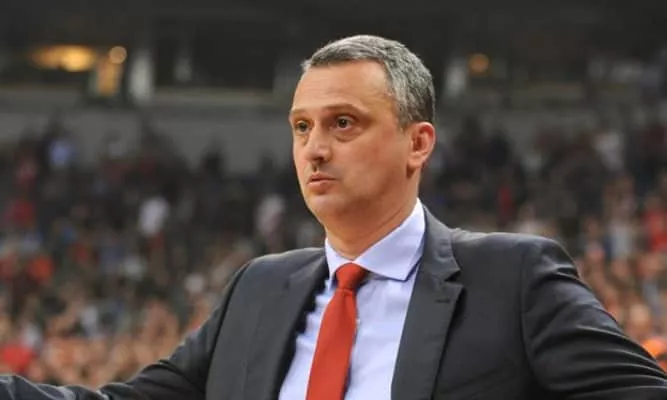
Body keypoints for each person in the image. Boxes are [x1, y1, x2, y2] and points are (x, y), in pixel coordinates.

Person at [1, 34, 667, 400]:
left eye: (343, 123)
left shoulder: (513, 278)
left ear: (417, 143)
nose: (314, 148)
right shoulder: (259, 287)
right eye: (301, 126)